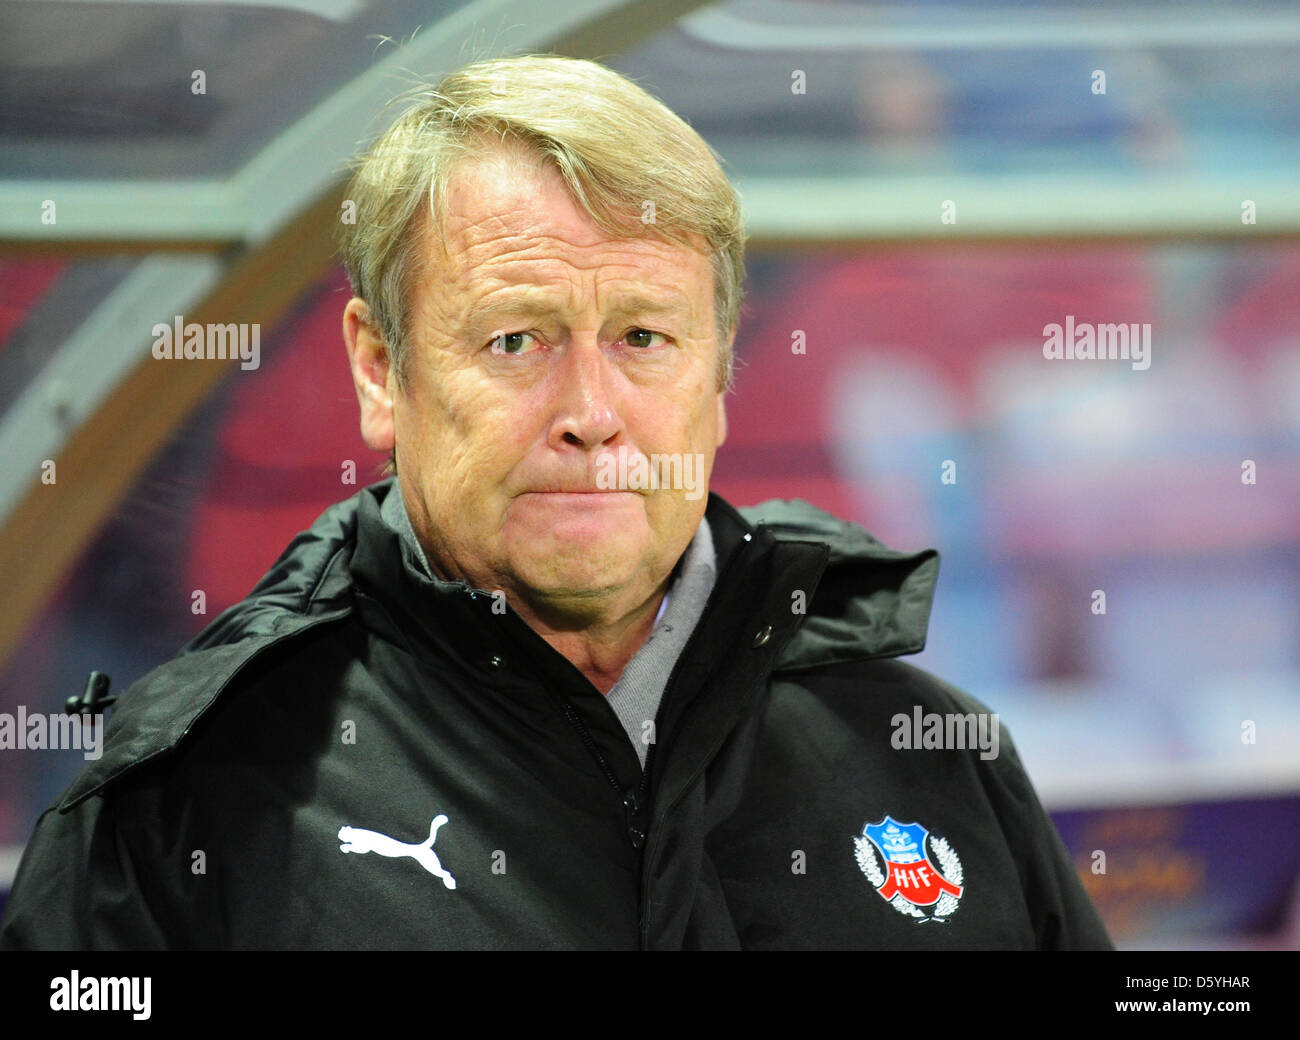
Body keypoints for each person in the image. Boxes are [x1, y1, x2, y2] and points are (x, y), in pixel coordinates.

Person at [0, 54, 1111, 950]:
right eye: (517, 338)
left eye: (643, 337)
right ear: (381, 371)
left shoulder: (921, 745)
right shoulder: (185, 806)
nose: (591, 410)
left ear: (720, 369)